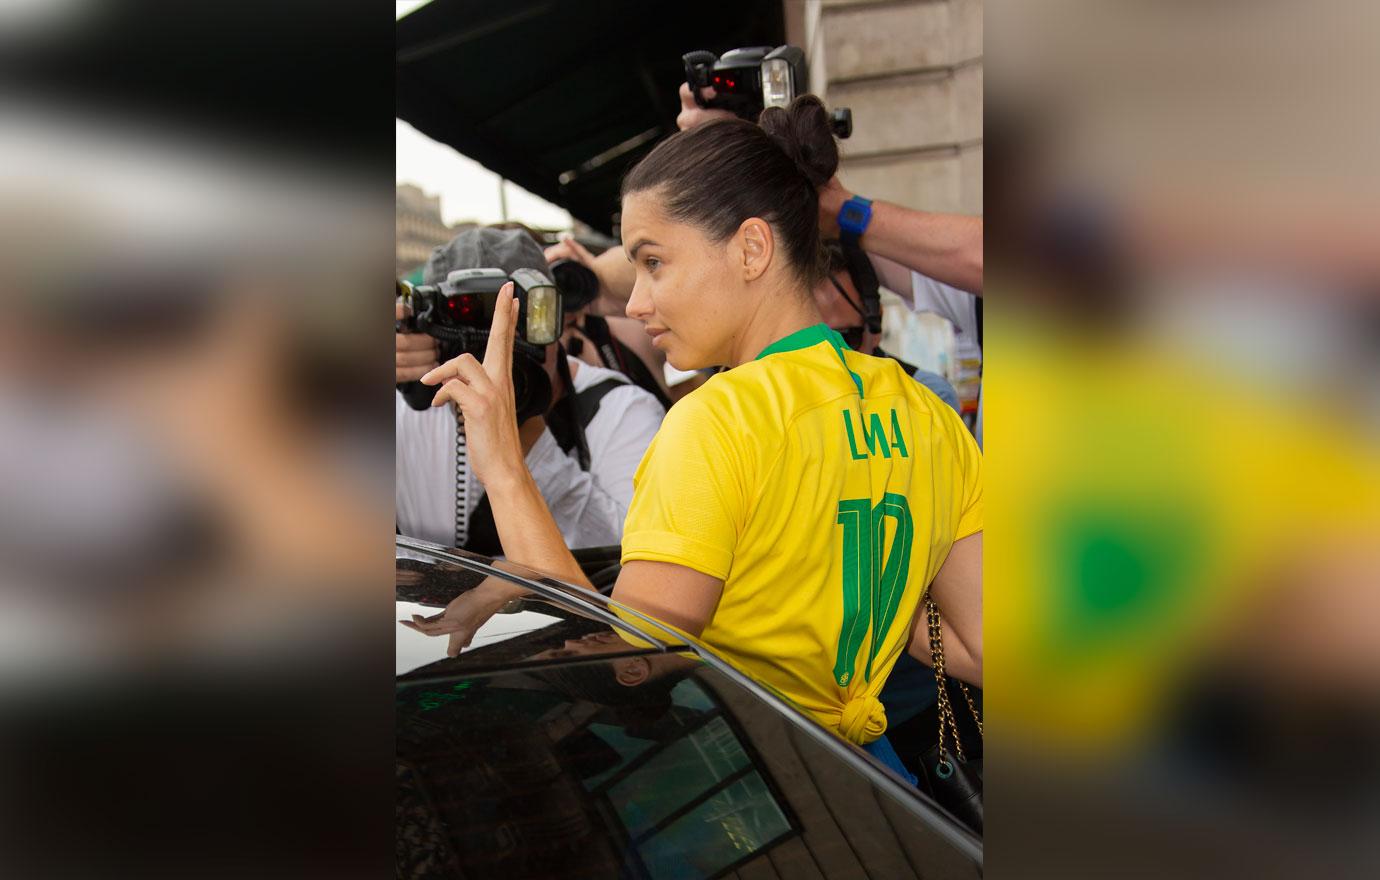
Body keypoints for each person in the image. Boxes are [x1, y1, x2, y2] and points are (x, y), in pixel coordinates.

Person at [416, 97, 982, 776]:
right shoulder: (927, 412)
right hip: (878, 786)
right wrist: (840, 597)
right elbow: (982, 650)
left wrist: (506, 466)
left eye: (654, 262)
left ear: (751, 248)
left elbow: (627, 663)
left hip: (747, 790)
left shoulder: (718, 420)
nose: (635, 302)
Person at [395, 228, 665, 550]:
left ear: (560, 318)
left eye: (524, 319)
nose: (499, 345)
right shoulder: (407, 406)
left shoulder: (622, 411)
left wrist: (524, 435)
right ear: (428, 330)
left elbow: (635, 559)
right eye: (472, 323)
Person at [815, 239, 962, 413]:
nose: (829, 358)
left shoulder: (929, 398)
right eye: (811, 344)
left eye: (845, 338)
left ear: (876, 325)